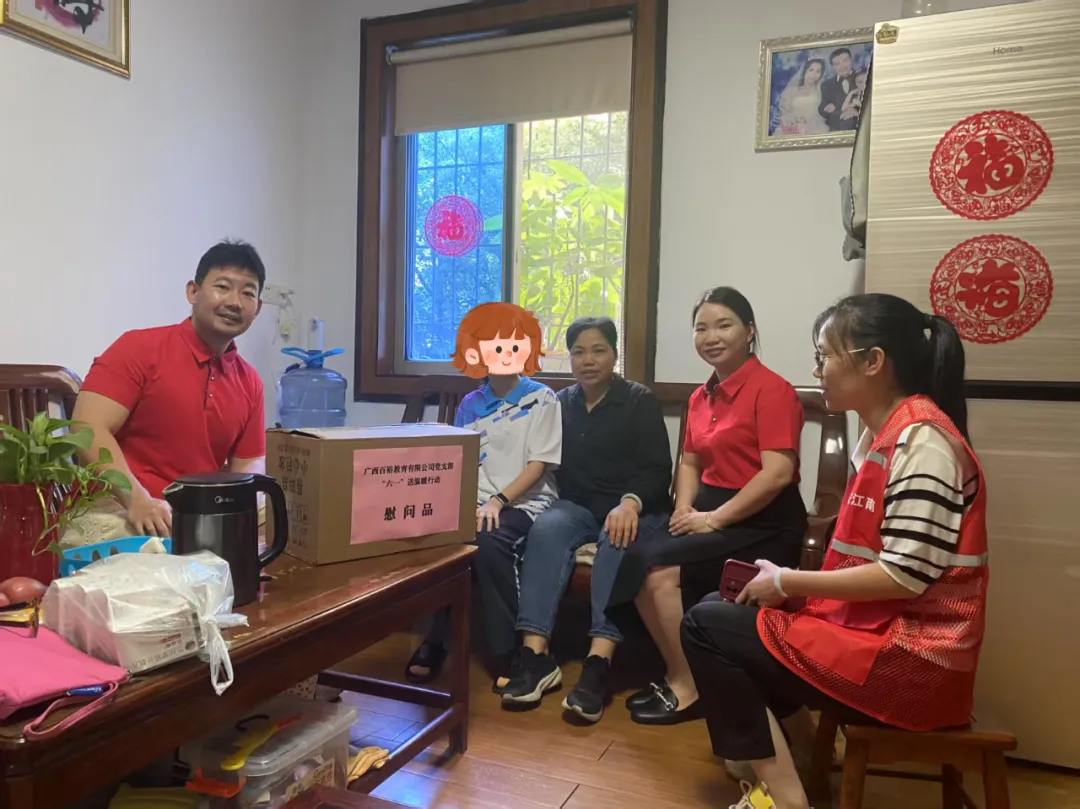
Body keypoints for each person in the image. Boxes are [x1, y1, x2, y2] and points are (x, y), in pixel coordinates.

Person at [681, 293, 986, 809]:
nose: (816, 369)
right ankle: (802, 761)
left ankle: (784, 798)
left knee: (706, 626)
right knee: (723, 606)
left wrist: (788, 581)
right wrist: (783, 586)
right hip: (874, 633)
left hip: (910, 662)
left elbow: (904, 576)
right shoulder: (886, 434)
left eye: (824, 356)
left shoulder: (923, 443)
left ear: (873, 362)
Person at [606, 287, 807, 725]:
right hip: (710, 513)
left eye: (723, 325)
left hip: (765, 521)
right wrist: (684, 507)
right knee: (639, 557)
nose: (711, 336)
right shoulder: (701, 397)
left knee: (658, 570)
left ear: (749, 331)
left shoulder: (773, 390)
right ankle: (682, 673)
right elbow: (690, 461)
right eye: (701, 328)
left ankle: (690, 684)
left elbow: (776, 474)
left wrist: (712, 520)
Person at [499, 317, 672, 722]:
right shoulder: (560, 403)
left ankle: (598, 663)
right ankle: (536, 655)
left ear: (614, 354)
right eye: (579, 352)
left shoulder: (639, 401)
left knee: (617, 538)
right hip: (577, 505)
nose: (588, 360)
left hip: (631, 508)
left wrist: (629, 503)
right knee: (547, 528)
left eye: (598, 350)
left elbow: (656, 470)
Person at [405, 302, 562, 685]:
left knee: (489, 541)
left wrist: (498, 500)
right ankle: (436, 638)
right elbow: (460, 460)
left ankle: (507, 651)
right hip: (476, 503)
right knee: (439, 536)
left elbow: (539, 465)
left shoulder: (542, 399)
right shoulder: (470, 404)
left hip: (524, 502)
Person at [71, 240, 269, 542]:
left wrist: (238, 513)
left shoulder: (250, 382)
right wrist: (137, 499)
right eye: (223, 287)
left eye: (248, 293)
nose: (234, 302)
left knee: (273, 514)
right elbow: (85, 428)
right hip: (118, 507)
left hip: (195, 513)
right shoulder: (138, 348)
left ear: (258, 309)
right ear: (193, 292)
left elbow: (249, 465)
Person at [776, 59, 828, 136]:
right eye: (811, 70)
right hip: (793, 127)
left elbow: (825, 111)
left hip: (816, 127)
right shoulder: (791, 91)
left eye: (818, 71)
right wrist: (796, 124)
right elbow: (784, 111)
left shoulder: (822, 91)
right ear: (804, 71)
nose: (813, 75)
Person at [818, 47, 859, 132]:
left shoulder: (863, 78)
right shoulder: (826, 85)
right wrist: (827, 108)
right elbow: (821, 108)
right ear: (833, 67)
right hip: (837, 130)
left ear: (851, 60)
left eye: (845, 61)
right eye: (837, 64)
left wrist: (857, 112)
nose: (842, 66)